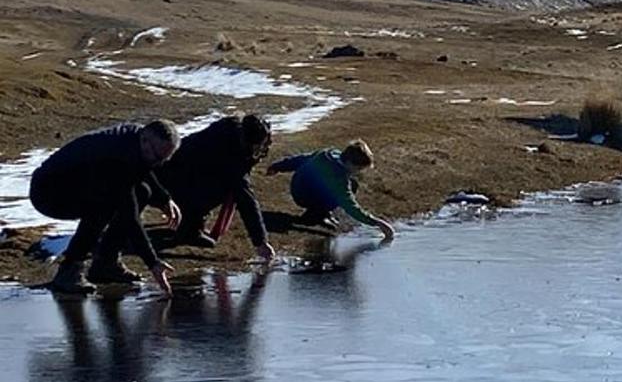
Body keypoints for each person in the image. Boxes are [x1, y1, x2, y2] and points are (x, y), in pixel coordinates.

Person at [28, 120, 182, 296]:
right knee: (104, 205)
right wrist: (153, 263)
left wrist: (164, 199)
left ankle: (106, 263)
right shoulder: (116, 159)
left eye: (163, 160)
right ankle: (70, 270)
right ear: (145, 140)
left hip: (80, 182)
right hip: (49, 192)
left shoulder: (137, 140)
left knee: (142, 191)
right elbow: (130, 217)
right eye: (156, 157)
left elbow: (143, 168)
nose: (156, 163)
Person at [155, 114, 275, 261]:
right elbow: (246, 200)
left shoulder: (231, 129)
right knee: (221, 189)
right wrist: (261, 242)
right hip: (173, 176)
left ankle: (192, 226)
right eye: (260, 145)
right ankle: (189, 230)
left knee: (215, 185)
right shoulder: (230, 153)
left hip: (177, 170)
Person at [267, 140, 394, 241]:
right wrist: (377, 223)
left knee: (352, 184)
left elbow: (301, 159)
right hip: (303, 195)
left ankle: (320, 212)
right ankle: (316, 214)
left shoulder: (328, 154)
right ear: (350, 163)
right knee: (347, 189)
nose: (358, 172)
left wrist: (278, 166)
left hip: (298, 186)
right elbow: (350, 206)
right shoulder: (338, 177)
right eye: (358, 168)